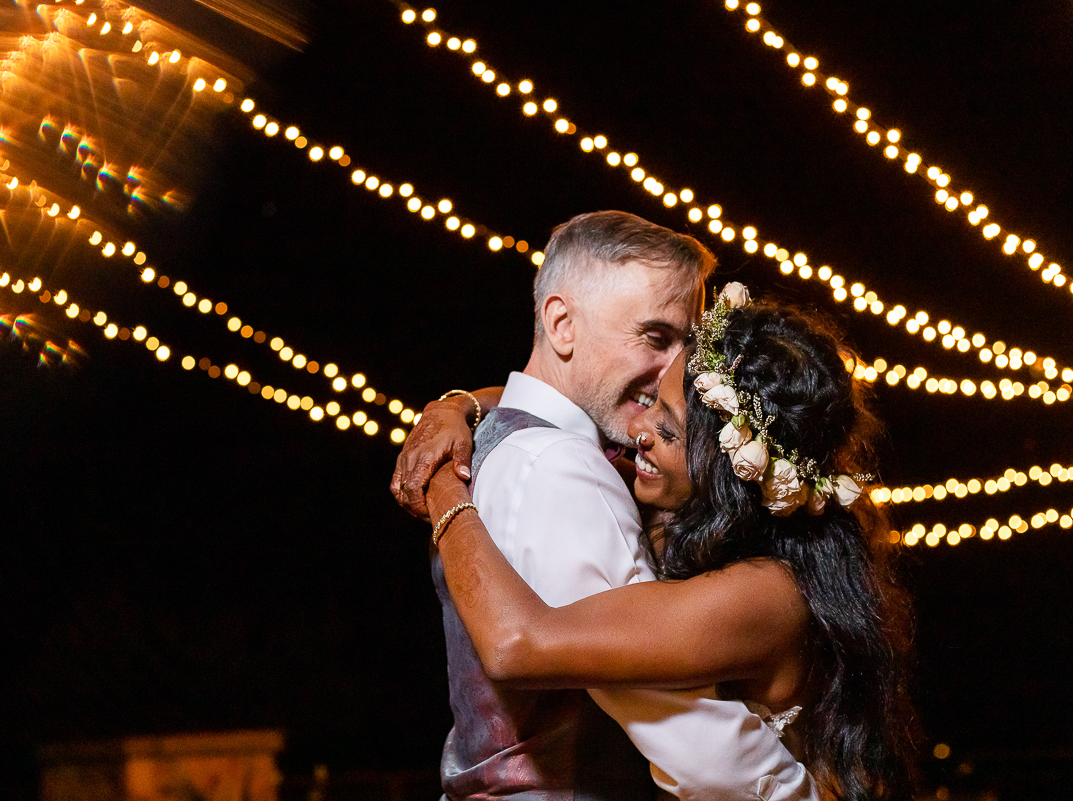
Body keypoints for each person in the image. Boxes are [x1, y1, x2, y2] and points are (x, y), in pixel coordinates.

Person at [410, 288, 919, 800]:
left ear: (729, 469)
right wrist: (459, 406)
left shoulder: (764, 594)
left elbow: (515, 645)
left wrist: (442, 483)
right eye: (651, 402)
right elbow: (555, 402)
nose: (637, 430)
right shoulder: (711, 522)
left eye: (668, 430)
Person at [392, 211, 819, 801]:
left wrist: (460, 402)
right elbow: (683, 732)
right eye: (655, 337)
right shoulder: (562, 467)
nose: (680, 374)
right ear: (562, 325)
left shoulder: (506, 436)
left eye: (686, 346)